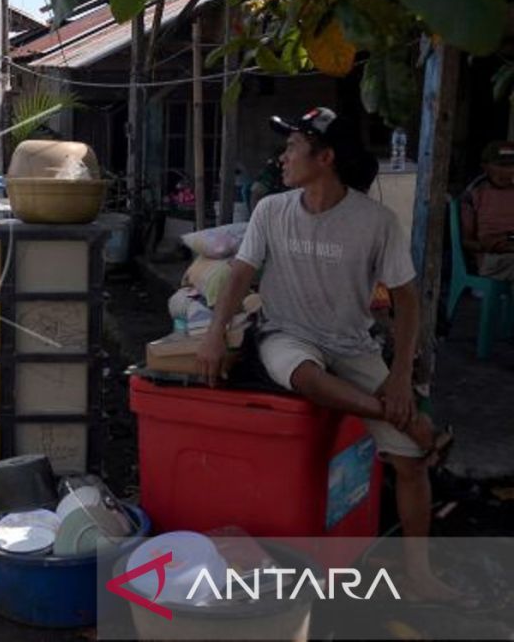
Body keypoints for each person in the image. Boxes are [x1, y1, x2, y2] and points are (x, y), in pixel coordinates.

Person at [197, 107, 459, 602]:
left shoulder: (375, 222)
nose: (283, 157)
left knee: (410, 464)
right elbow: (240, 274)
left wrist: (400, 374)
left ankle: (421, 573)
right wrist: (215, 332)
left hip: (352, 343)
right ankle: (409, 421)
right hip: (287, 333)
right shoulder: (271, 210)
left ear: (327, 157)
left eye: (293, 147)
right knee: (303, 376)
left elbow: (406, 298)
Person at [460, 140, 514, 281]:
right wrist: (491, 245)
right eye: (501, 165)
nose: (508, 171)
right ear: (485, 167)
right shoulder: (474, 194)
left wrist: (509, 240)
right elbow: (466, 241)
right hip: (491, 260)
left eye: (512, 165)